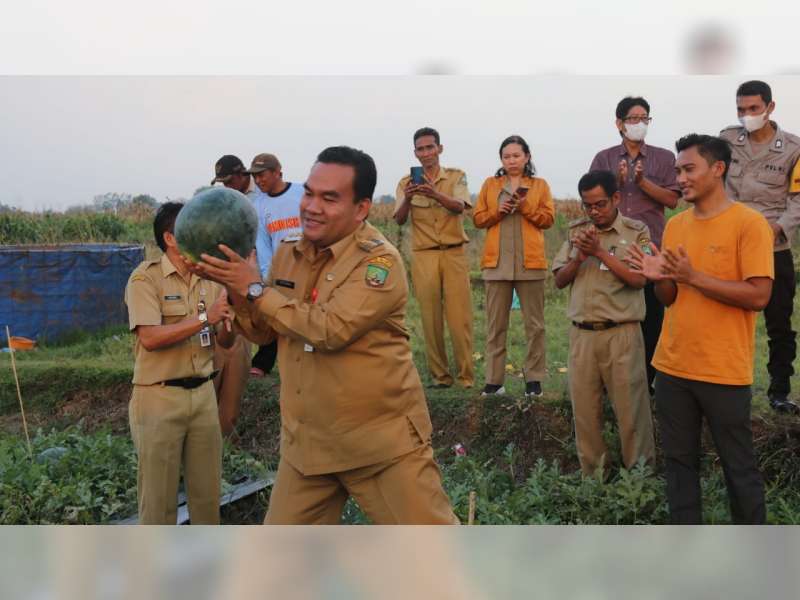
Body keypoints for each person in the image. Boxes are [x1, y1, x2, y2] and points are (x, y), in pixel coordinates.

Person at [191, 146, 458, 525]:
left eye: (329, 198)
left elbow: (330, 329)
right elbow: (264, 333)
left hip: (379, 448)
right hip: (308, 450)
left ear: (361, 208)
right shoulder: (288, 254)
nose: (312, 207)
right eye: (310, 193)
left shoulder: (378, 263)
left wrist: (255, 291)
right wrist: (236, 288)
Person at [628, 134, 772, 524]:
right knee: (678, 468)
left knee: (738, 469)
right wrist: (659, 278)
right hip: (673, 368)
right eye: (677, 171)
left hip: (723, 372)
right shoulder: (675, 227)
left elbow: (758, 295)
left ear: (718, 169)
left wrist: (695, 275)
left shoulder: (750, 225)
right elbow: (672, 297)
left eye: (689, 169)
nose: (680, 178)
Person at [124, 202, 235, 524]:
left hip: (202, 395)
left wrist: (229, 323)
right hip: (159, 398)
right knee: (158, 502)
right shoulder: (146, 278)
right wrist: (205, 318)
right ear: (171, 238)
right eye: (196, 229)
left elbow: (224, 342)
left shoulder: (210, 279)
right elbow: (151, 338)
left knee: (207, 498)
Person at [552, 170, 655, 476]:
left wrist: (599, 252)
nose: (594, 211)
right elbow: (559, 280)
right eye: (587, 205)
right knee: (585, 413)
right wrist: (579, 257)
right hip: (582, 335)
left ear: (616, 198)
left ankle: (639, 478)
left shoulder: (637, 232)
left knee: (631, 412)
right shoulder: (576, 232)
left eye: (600, 204)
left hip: (622, 334)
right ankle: (595, 479)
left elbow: (639, 280)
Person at [590, 96, 680, 395]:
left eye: (644, 118)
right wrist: (616, 179)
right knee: (610, 309)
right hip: (611, 245)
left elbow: (671, 199)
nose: (639, 124)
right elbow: (593, 197)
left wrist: (642, 182)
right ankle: (609, 377)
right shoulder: (604, 158)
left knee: (650, 313)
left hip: (648, 245)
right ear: (619, 123)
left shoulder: (664, 157)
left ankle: (647, 378)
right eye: (632, 118)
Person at [720, 80, 800, 414]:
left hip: (772, 248)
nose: (746, 116)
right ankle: (722, 386)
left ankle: (779, 391)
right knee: (724, 319)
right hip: (730, 245)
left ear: (770, 107)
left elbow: (797, 200)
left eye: (753, 109)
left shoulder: (794, 148)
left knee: (779, 324)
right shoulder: (726, 140)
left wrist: (778, 228)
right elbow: (715, 182)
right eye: (741, 109)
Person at [473, 135, 554, 398]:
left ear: (527, 157)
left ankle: (534, 379)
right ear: (501, 160)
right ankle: (494, 381)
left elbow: (548, 219)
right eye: (506, 156)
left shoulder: (539, 186)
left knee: (535, 325)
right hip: (497, 264)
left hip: (530, 263)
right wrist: (499, 211)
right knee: (496, 325)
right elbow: (478, 218)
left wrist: (525, 206)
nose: (512, 160)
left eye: (516, 155)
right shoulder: (490, 185)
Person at [393, 127, 474, 388]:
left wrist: (434, 193)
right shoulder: (406, 182)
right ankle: (441, 377)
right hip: (424, 254)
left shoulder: (456, 176)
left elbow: (460, 207)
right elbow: (399, 219)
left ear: (440, 148)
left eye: (430, 147)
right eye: (421, 149)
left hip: (454, 253)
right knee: (430, 318)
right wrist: (407, 198)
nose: (426, 153)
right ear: (415, 153)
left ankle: (465, 378)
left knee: (459, 318)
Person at [209, 154, 258, 436]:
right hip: (233, 280)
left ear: (242, 174)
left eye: (229, 181)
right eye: (222, 183)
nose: (227, 187)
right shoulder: (225, 203)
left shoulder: (260, 197)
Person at [245, 152, 303, 379]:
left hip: (310, 267)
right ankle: (274, 364)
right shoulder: (258, 206)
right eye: (255, 177)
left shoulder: (303, 193)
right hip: (281, 272)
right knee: (280, 318)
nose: (259, 181)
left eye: (263, 175)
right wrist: (269, 277)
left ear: (278, 172)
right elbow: (263, 244)